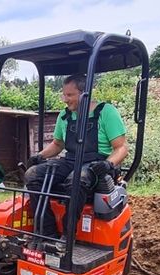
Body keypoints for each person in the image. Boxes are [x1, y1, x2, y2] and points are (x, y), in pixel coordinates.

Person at [24, 74, 128, 239]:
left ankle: (68, 234)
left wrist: (108, 164)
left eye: (69, 95)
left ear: (84, 93)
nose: (65, 99)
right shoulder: (64, 116)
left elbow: (121, 148)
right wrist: (39, 156)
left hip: (97, 164)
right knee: (32, 175)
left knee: (76, 179)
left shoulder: (105, 112)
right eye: (64, 94)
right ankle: (47, 231)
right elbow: (58, 145)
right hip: (71, 160)